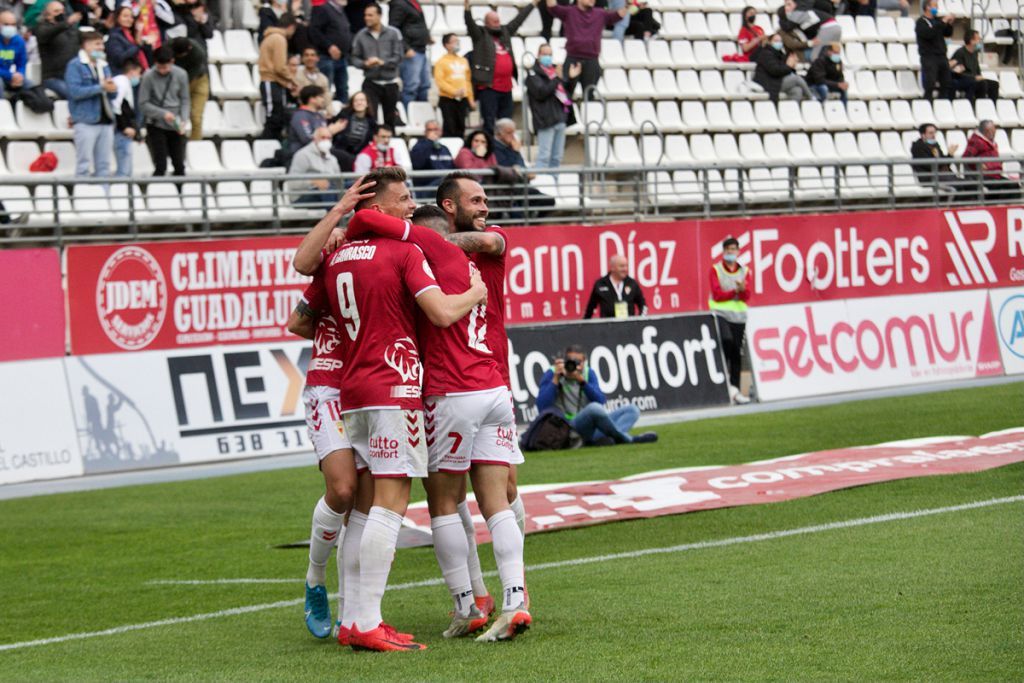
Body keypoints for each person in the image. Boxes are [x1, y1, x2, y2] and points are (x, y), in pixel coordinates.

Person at [297, 166, 487, 652]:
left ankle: (353, 619)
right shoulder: (404, 251)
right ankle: (365, 620)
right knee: (391, 502)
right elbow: (442, 313)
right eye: (403, 198)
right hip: (391, 386)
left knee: (361, 509)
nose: (411, 205)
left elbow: (306, 289)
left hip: (354, 388)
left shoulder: (339, 257)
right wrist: (475, 293)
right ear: (379, 208)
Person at [344, 177, 529, 643]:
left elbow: (367, 218)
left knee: (444, 502)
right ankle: (515, 599)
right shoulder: (477, 258)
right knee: (498, 501)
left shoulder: (420, 254)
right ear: (450, 213)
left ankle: (466, 604)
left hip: (449, 391)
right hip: (493, 387)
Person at [285, 177, 376, 641]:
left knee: (365, 507)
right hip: (329, 388)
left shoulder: (398, 252)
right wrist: (340, 209)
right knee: (342, 491)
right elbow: (299, 301)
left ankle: (354, 608)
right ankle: (315, 579)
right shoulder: (337, 254)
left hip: (375, 389)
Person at [535, 345, 658, 445]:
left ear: (584, 362)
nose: (574, 365)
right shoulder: (553, 373)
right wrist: (555, 379)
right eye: (570, 361)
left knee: (632, 410)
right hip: (567, 428)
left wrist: (582, 381)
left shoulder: (588, 373)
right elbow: (542, 407)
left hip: (590, 426)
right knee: (594, 409)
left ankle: (597, 440)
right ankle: (627, 439)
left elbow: (600, 400)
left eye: (578, 362)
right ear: (564, 361)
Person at [465, 0, 538, 133]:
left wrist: (532, 4)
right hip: (489, 87)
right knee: (489, 121)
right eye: (494, 22)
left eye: (498, 21)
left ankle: (503, 149)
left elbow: (518, 20)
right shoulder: (480, 35)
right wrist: (467, 9)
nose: (498, 24)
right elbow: (470, 25)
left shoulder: (505, 32)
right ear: (486, 23)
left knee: (506, 122)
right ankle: (491, 150)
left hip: (506, 87)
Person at [546, 0, 626, 101]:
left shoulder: (600, 13)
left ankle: (588, 116)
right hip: (572, 59)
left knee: (589, 95)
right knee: (565, 94)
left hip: (592, 61)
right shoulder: (569, 12)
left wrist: (629, 6)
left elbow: (618, 15)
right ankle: (565, 116)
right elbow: (552, 7)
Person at [66, 31, 117, 178]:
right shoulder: (75, 65)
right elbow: (75, 92)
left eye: (102, 44)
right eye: (97, 44)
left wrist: (112, 88)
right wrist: (101, 87)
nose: (101, 47)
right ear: (86, 45)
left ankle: (103, 197)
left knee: (104, 165)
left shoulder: (103, 65)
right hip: (86, 120)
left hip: (105, 119)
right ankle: (81, 197)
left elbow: (111, 94)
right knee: (84, 164)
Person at [709, 237, 752, 405]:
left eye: (733, 249)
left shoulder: (744, 271)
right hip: (721, 314)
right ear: (723, 251)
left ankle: (735, 389)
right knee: (726, 343)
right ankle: (724, 383)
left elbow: (747, 295)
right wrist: (736, 291)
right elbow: (717, 294)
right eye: (728, 250)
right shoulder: (716, 269)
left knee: (736, 353)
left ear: (738, 251)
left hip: (739, 317)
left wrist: (741, 291)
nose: (731, 252)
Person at [139, 45, 190, 177]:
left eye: (166, 67)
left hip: (175, 123)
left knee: (179, 163)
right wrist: (163, 114)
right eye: (159, 67)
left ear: (172, 61)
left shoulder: (181, 74)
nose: (162, 71)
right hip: (156, 123)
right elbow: (143, 103)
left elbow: (185, 99)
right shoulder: (148, 76)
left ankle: (180, 192)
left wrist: (184, 119)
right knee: (160, 163)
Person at [350, 3, 403, 129]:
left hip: (390, 82)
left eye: (370, 15)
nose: (367, 18)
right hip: (371, 82)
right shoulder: (361, 35)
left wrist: (382, 62)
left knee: (390, 118)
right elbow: (354, 58)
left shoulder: (393, 33)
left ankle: (388, 145)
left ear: (379, 16)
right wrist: (364, 64)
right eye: (365, 15)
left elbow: (399, 57)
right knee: (370, 117)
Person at [525, 44, 578, 169]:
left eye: (550, 54)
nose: (548, 57)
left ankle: (553, 185)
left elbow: (567, 92)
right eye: (544, 54)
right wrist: (556, 78)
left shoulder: (556, 71)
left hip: (560, 118)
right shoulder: (533, 74)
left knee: (557, 158)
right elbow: (541, 92)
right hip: (545, 120)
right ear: (538, 55)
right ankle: (540, 185)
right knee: (544, 157)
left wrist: (572, 78)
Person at [258, 12, 299, 140]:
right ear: (291, 26)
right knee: (274, 118)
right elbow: (280, 67)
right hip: (270, 81)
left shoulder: (272, 37)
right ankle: (265, 145)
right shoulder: (279, 39)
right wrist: (293, 80)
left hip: (272, 81)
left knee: (276, 118)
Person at [962, 119, 1021, 201]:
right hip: (984, 176)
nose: (994, 132)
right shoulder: (977, 141)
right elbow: (966, 158)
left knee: (1013, 186)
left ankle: (1006, 208)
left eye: (994, 130)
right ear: (985, 131)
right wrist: (977, 164)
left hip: (995, 175)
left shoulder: (992, 142)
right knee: (1008, 187)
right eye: (992, 130)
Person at [35, 1, 82, 100]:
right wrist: (67, 23)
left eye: (62, 11)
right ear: (47, 16)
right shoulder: (42, 28)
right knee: (74, 94)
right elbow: (46, 34)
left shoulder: (71, 28)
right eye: (56, 11)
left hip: (72, 76)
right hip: (53, 78)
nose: (61, 14)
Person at [308, 0, 352, 104]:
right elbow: (314, 31)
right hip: (326, 57)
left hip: (342, 58)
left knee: (343, 89)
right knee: (325, 90)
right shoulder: (322, 9)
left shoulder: (340, 11)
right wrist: (329, 46)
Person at [389, 0, 431, 107]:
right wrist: (405, 48)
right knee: (411, 87)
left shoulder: (414, 3)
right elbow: (393, 29)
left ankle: (423, 116)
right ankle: (408, 116)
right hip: (411, 51)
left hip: (421, 49)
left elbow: (417, 23)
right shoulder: (399, 3)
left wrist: (426, 37)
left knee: (424, 86)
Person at [287, 126, 343, 204]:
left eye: (329, 138)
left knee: (351, 186)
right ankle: (336, 215)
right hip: (302, 196)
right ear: (314, 139)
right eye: (323, 137)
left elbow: (338, 181)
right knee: (327, 190)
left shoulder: (332, 158)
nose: (326, 140)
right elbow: (292, 182)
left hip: (329, 191)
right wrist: (314, 181)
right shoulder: (303, 155)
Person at [434, 32, 474, 139]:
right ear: (446, 45)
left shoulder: (463, 61)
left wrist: (470, 99)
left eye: (458, 41)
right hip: (447, 99)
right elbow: (440, 81)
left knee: (461, 126)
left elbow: (467, 81)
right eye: (454, 41)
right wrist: (453, 91)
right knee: (449, 127)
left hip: (463, 99)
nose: (457, 43)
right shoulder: (441, 62)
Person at [584, 254, 647, 319]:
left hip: (628, 326)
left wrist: (640, 321)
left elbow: (643, 305)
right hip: (608, 326)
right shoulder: (600, 284)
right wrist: (584, 326)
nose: (625, 269)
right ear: (612, 268)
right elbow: (590, 308)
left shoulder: (632, 283)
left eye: (626, 266)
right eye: (622, 266)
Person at [753, 34, 813, 102]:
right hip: (769, 82)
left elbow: (785, 70)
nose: (779, 43)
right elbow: (775, 71)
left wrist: (792, 66)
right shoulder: (766, 54)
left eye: (780, 41)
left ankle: (792, 111)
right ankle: (812, 98)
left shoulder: (780, 54)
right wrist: (789, 66)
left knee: (797, 90)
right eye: (776, 41)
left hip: (777, 80)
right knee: (796, 79)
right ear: (770, 42)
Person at [170, 37, 208, 141]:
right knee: (172, 114)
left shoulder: (198, 53)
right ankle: (174, 142)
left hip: (197, 81)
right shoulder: (168, 47)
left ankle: (195, 143)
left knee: (196, 117)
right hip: (174, 82)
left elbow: (188, 78)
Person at [328, 89, 376, 170]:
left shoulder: (371, 122)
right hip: (340, 151)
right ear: (352, 104)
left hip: (358, 154)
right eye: (356, 100)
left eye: (362, 100)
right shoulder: (344, 115)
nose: (359, 102)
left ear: (367, 103)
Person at [910, 123, 964, 194]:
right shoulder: (918, 148)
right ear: (923, 135)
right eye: (930, 133)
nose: (934, 135)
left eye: (935, 132)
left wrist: (949, 155)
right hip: (930, 177)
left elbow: (944, 164)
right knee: (963, 185)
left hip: (942, 176)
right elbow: (931, 165)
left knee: (969, 184)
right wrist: (949, 156)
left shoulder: (935, 145)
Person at [917, 0, 954, 102]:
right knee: (930, 84)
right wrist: (943, 22)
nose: (936, 8)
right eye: (935, 6)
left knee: (946, 83)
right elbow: (929, 34)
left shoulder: (937, 21)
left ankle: (942, 105)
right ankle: (927, 106)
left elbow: (947, 33)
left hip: (941, 56)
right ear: (927, 7)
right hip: (929, 57)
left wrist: (949, 24)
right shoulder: (921, 22)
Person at [112, 58, 142, 177]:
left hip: (123, 129)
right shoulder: (121, 82)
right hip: (120, 131)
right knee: (124, 170)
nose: (139, 77)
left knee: (127, 170)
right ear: (133, 71)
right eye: (139, 73)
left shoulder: (124, 83)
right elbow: (116, 106)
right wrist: (124, 127)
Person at [951, 30, 999, 102]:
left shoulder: (974, 53)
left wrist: (979, 76)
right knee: (982, 84)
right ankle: (978, 105)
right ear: (971, 41)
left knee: (994, 84)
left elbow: (977, 68)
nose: (980, 40)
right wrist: (974, 77)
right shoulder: (960, 53)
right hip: (962, 79)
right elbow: (957, 73)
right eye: (978, 39)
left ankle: (993, 106)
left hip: (974, 78)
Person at [410, 120, 455, 193]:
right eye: (430, 130)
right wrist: (429, 142)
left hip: (447, 186)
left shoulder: (444, 148)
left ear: (441, 131)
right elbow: (417, 164)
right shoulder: (419, 146)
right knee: (446, 181)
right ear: (425, 132)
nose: (433, 132)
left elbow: (452, 168)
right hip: (426, 188)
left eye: (436, 129)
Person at [106, 5, 152, 76]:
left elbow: (147, 56)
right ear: (117, 18)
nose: (129, 19)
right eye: (125, 16)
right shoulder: (114, 36)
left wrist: (141, 40)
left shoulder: (132, 35)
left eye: (131, 17)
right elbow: (120, 59)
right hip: (123, 75)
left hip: (139, 73)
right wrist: (138, 46)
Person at [0, 11, 31, 100]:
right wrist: (11, 76)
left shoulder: (19, 41)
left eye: (13, 24)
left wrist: (20, 75)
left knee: (30, 85)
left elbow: (21, 63)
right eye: (6, 24)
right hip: (5, 76)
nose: (10, 27)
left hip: (9, 76)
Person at [295, 46, 331, 112]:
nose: (310, 58)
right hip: (302, 111)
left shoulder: (323, 78)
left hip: (321, 112)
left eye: (312, 55)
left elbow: (327, 99)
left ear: (317, 58)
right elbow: (298, 97)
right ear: (302, 59)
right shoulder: (297, 76)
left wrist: (329, 112)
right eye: (306, 55)